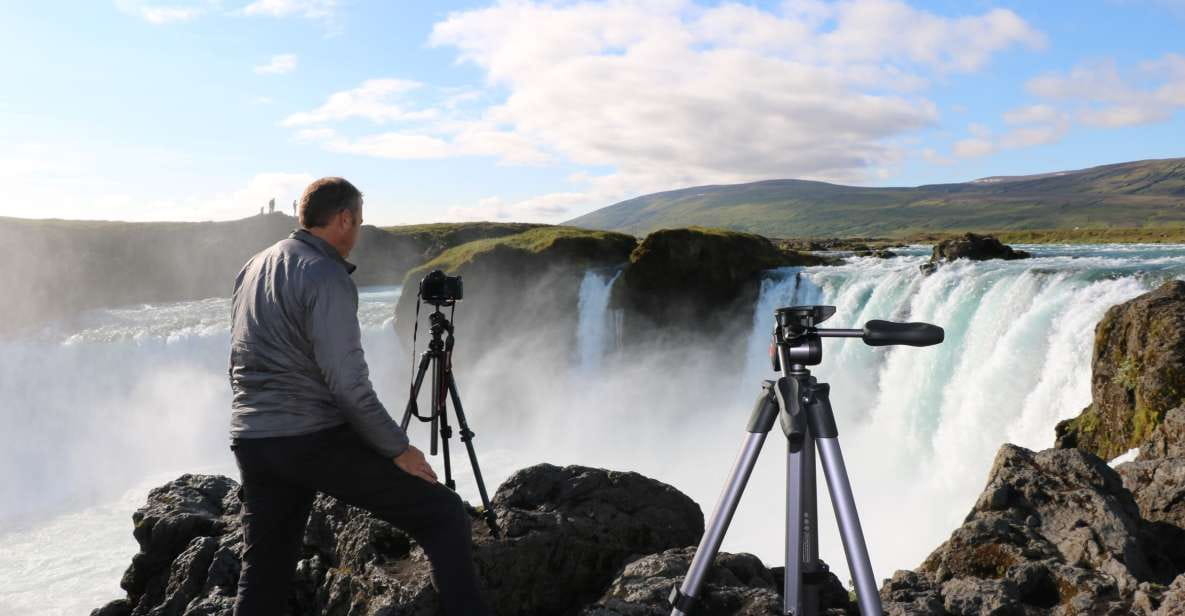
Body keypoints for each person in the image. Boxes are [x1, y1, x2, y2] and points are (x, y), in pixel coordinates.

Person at [227, 177, 492, 615]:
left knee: (265, 573)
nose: (359, 234)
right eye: (360, 222)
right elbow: (348, 384)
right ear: (344, 218)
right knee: (443, 514)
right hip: (308, 437)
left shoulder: (253, 266)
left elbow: (236, 358)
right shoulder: (324, 274)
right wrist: (399, 448)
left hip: (253, 438)